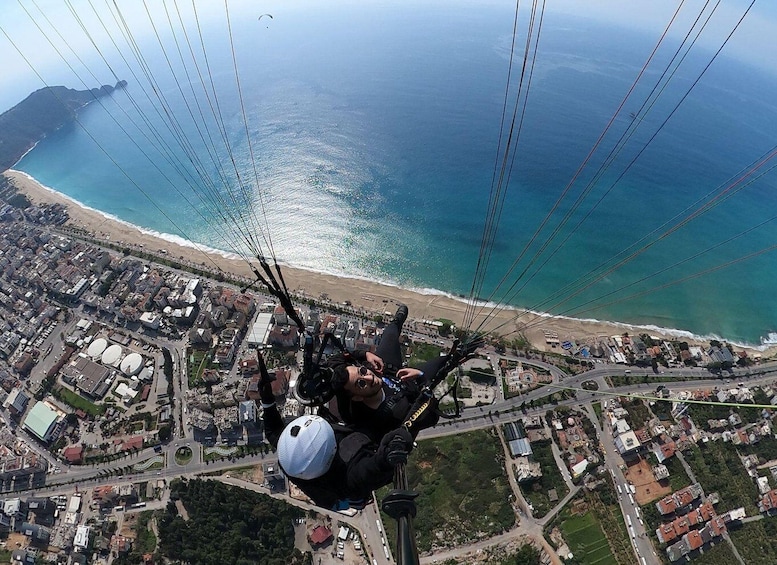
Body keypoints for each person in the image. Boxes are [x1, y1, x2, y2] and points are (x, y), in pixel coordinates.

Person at [259, 357, 413, 510]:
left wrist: (267, 400)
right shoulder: (351, 473)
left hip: (333, 491)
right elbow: (372, 468)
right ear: (332, 448)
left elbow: (274, 433)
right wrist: (390, 452)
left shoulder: (291, 456)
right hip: (353, 487)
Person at [325, 304, 480, 441]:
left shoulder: (343, 377)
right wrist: (421, 379)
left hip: (387, 369)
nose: (368, 377)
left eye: (362, 371)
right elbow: (431, 417)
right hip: (411, 387)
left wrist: (364, 355)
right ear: (357, 397)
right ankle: (462, 353)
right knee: (443, 363)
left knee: (390, 334)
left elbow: (334, 361)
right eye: (361, 383)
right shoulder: (388, 418)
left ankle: (397, 320)